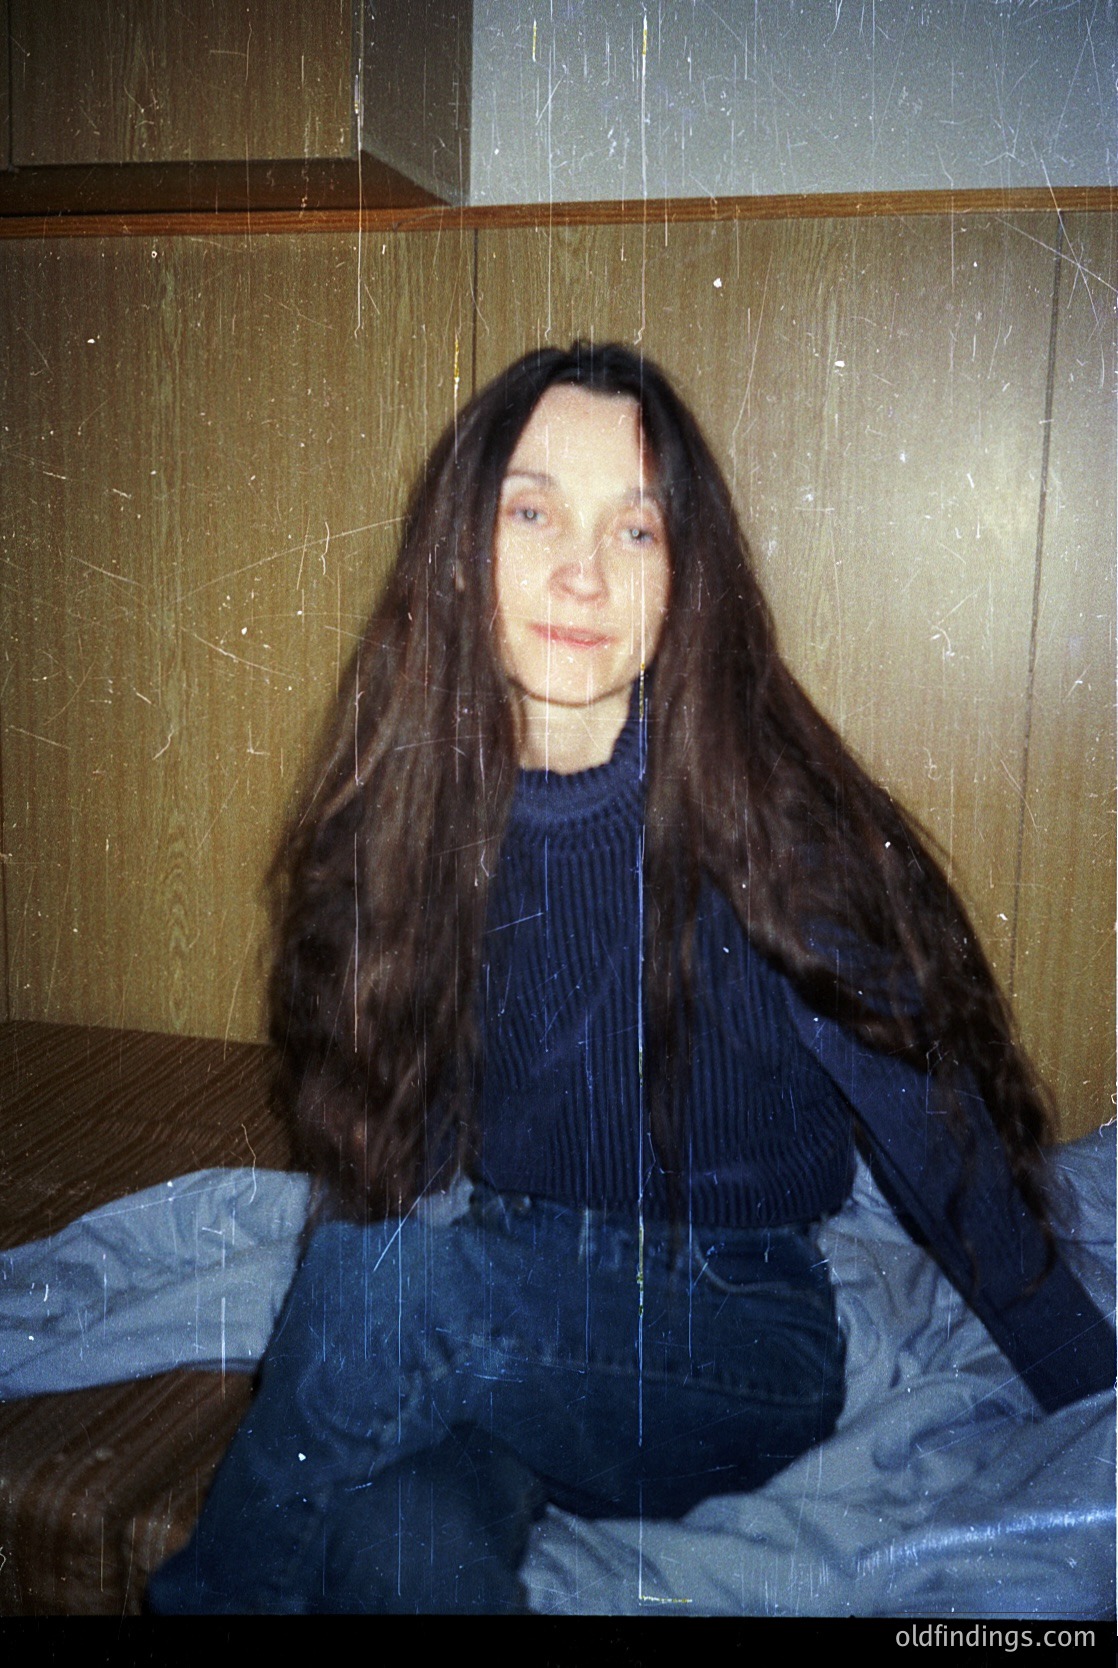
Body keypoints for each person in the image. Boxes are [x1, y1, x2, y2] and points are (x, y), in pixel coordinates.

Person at [147, 342, 1114, 1615]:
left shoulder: (775, 832)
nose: (582, 573)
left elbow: (938, 1139)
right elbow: (400, 1145)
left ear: (684, 580)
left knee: (388, 1290)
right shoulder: (424, 825)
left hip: (727, 1345)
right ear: (459, 549)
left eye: (637, 529)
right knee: (392, 1532)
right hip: (512, 1328)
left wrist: (1089, 1389)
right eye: (533, 509)